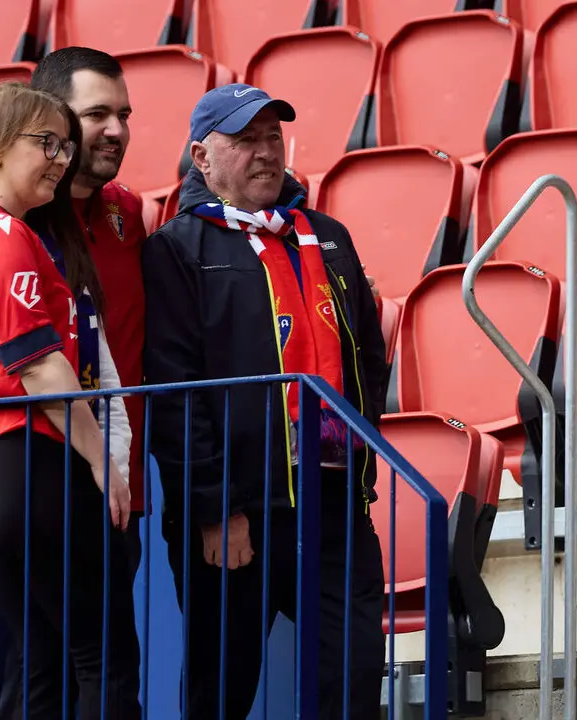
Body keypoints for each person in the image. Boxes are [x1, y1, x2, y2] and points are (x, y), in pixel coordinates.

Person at [141, 84, 388, 719]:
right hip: (237, 514)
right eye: (244, 140)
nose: (264, 153)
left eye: (272, 138)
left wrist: (358, 455)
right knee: (221, 688)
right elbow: (176, 393)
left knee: (354, 673)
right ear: (202, 156)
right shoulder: (176, 248)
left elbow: (368, 356)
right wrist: (216, 509)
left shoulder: (328, 235)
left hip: (331, 503)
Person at [0, 81, 140, 719]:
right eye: (46, 143)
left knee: (38, 657)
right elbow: (39, 368)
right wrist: (102, 461)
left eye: (67, 146)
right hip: (32, 465)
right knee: (103, 660)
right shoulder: (0, 233)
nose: (62, 159)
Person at [30, 47, 149, 569]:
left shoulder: (127, 212)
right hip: (31, 480)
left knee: (110, 650)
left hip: (119, 484)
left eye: (123, 115)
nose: (117, 130)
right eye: (97, 114)